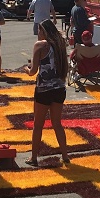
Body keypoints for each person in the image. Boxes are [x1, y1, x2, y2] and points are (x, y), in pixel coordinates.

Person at [22, 18, 70, 166]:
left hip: (44, 89)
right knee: (57, 123)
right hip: (59, 88)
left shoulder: (40, 45)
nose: (37, 33)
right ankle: (65, 155)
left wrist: (26, 68)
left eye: (39, 30)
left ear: (43, 31)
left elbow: (33, 71)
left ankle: (34, 158)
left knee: (38, 125)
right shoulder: (60, 44)